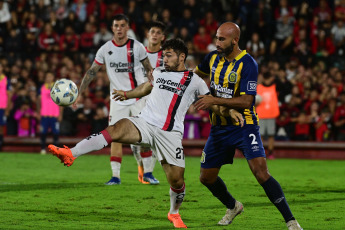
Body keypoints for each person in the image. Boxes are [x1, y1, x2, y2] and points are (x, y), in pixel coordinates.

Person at [48, 38, 243, 229]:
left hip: (170, 134)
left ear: (181, 57)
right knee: (115, 129)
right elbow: (146, 88)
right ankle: (71, 153)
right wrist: (127, 94)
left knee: (176, 179)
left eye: (169, 55)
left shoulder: (195, 81)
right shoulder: (158, 72)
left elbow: (212, 103)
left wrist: (230, 111)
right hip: (145, 123)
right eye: (163, 55)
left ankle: (174, 213)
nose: (164, 59)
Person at [193, 22, 303, 230]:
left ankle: (291, 221)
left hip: (245, 126)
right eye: (216, 38)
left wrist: (214, 101)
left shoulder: (248, 63)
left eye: (222, 39)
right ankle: (233, 206)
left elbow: (247, 102)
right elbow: (194, 77)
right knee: (206, 178)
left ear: (235, 40)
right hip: (219, 127)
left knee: (261, 172)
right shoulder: (212, 58)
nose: (217, 43)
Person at [73, 14, 158, 185]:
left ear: (127, 28)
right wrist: (80, 92)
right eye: (116, 25)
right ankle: (115, 176)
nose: (119, 29)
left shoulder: (137, 47)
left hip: (137, 98)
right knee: (114, 136)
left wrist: (155, 89)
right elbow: (92, 72)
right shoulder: (105, 49)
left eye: (122, 25)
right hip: (117, 100)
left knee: (145, 137)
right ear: (112, 28)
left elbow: (149, 70)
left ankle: (148, 173)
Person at [37, 72, 63, 154]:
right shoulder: (41, 88)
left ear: (53, 78)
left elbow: (61, 102)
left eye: (50, 76)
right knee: (43, 132)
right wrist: (38, 112)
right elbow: (38, 102)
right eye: (47, 76)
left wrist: (60, 114)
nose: (48, 78)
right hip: (44, 114)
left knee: (55, 132)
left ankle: (56, 150)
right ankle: (43, 149)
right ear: (45, 78)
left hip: (54, 114)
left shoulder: (57, 87)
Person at [256, 72, 280, 159]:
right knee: (261, 135)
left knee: (271, 135)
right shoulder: (258, 87)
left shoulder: (274, 87)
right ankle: (262, 153)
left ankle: (270, 152)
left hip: (271, 114)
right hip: (261, 114)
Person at [0, 63, 11, 151]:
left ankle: (0, 141)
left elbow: (9, 95)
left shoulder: (6, 79)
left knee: (1, 125)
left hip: (2, 106)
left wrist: (7, 108)